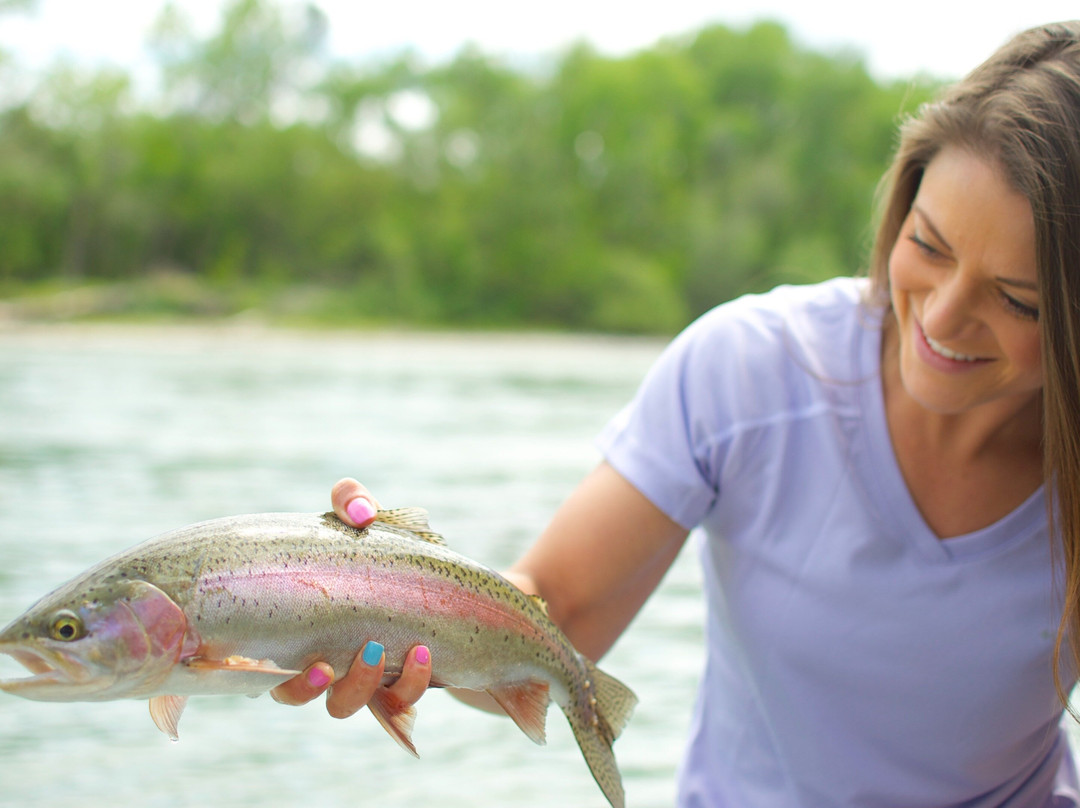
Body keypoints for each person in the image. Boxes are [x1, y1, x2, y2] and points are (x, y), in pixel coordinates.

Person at [272, 21, 1080, 806]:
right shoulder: (747, 368)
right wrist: (381, 600)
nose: (941, 318)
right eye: (928, 245)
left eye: (1018, 300)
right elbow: (558, 611)